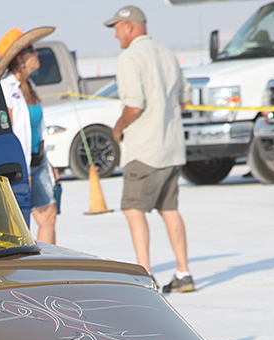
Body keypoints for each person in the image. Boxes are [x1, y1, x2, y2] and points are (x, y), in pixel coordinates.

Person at [104, 5, 193, 292]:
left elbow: (134, 105)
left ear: (131, 27)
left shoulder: (130, 57)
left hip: (145, 149)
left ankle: (146, 275)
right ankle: (183, 273)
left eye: (118, 28)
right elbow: (185, 99)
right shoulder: (168, 54)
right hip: (172, 147)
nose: (116, 34)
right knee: (169, 209)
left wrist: (117, 128)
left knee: (132, 208)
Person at [0, 26, 58, 244]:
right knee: (17, 224)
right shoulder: (5, 89)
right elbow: (4, 135)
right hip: (19, 168)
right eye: (33, 50)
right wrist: (20, 167)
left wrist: (49, 164)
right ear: (20, 58)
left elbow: (37, 131)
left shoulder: (29, 86)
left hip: (38, 163)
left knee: (48, 216)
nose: (37, 54)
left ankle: (49, 269)